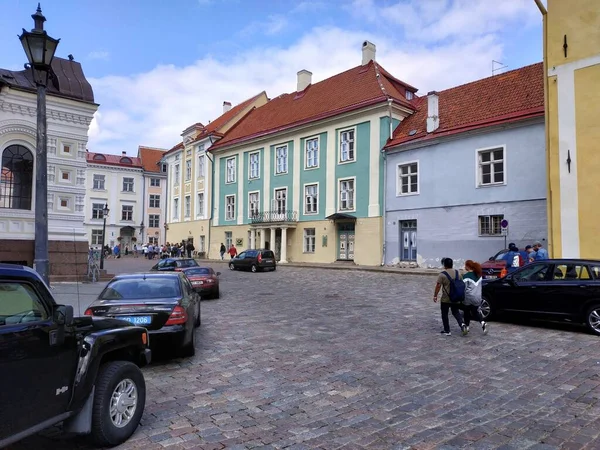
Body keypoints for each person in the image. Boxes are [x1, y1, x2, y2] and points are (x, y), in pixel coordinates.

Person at [433, 257, 467, 336]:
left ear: (445, 265)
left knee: (444, 313)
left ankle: (447, 330)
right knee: (455, 312)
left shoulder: (442, 274)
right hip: (456, 297)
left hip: (446, 298)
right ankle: (462, 324)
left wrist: (435, 295)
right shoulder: (457, 273)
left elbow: (438, 286)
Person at [461, 260, 488, 335]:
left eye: (465, 265)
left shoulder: (466, 276)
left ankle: (467, 327)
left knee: (466, 311)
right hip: (478, 296)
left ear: (468, 266)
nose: (464, 267)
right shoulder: (479, 276)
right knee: (476, 311)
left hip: (469, 296)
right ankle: (483, 322)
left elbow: (464, 288)